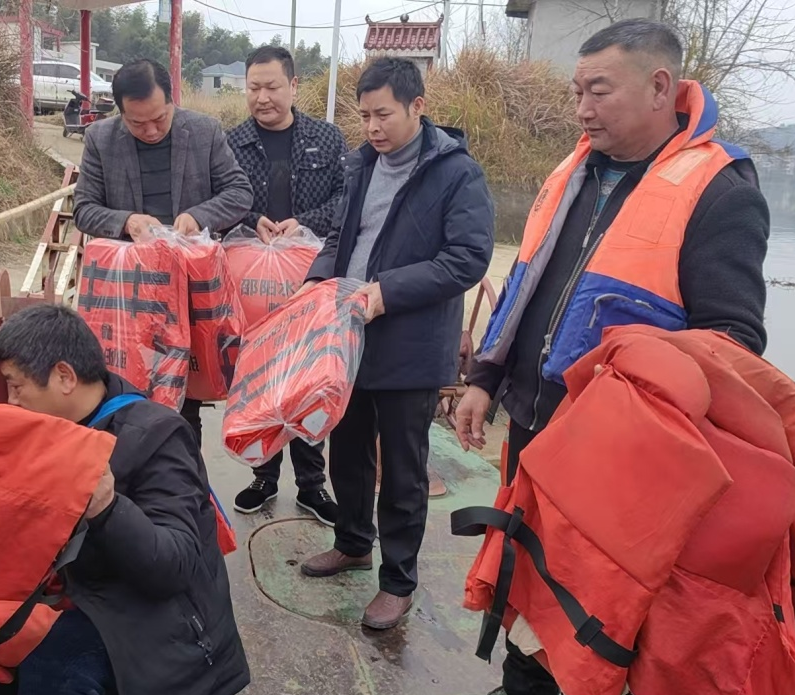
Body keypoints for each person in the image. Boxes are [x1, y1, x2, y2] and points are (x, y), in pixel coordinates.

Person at [445, 19, 769, 695]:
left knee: (616, 598)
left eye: (598, 91)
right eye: (576, 92)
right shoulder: (574, 171)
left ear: (659, 87)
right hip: (538, 424)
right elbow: (527, 287)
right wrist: (483, 383)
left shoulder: (721, 190)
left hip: (624, 454)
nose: (581, 109)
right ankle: (523, 694)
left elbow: (733, 341)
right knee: (530, 567)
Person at [297, 57, 495, 630]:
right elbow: (342, 233)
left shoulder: (456, 173)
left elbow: (466, 259)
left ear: (417, 107)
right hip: (350, 335)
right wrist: (317, 280)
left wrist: (387, 292)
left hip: (409, 343)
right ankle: (354, 540)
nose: (373, 128)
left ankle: (398, 581)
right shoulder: (361, 164)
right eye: (364, 116)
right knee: (348, 451)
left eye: (383, 114)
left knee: (403, 469)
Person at [0, 304, 250, 695]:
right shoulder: (55, 429)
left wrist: (107, 506)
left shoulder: (157, 435)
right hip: (97, 589)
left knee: (54, 667)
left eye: (16, 386)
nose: (11, 400)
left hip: (173, 620)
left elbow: (175, 567)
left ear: (64, 377)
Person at [73, 57, 253, 444]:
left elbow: (239, 193)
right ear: (120, 112)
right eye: (137, 123)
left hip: (186, 294)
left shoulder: (204, 131)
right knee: (124, 395)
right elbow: (84, 208)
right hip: (126, 301)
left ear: (173, 101)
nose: (151, 130)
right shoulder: (101, 139)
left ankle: (186, 491)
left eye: (160, 118)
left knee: (183, 404)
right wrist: (127, 222)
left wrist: (197, 216)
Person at [226, 45, 348, 526]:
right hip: (253, 283)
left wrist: (305, 223)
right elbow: (220, 197)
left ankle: (313, 485)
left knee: (308, 379)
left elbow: (346, 198)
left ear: (294, 86)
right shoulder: (232, 142)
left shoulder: (326, 137)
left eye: (272, 86)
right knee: (259, 378)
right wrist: (251, 219)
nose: (262, 97)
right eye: (253, 87)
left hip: (311, 278)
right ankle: (263, 477)